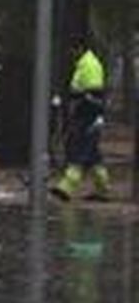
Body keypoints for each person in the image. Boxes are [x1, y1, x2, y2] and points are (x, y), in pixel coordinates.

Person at [52, 37, 110, 201]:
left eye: (72, 50)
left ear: (79, 48)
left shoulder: (89, 65)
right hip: (88, 116)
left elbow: (93, 95)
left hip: (88, 117)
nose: (70, 54)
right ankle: (103, 190)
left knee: (78, 150)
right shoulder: (84, 64)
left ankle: (66, 188)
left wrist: (77, 103)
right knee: (93, 156)